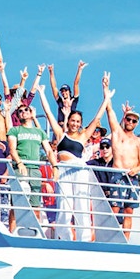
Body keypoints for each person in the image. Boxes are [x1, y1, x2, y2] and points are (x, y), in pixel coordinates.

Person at [36, 82, 108, 241]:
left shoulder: (83, 136)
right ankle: (67, 238)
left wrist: (106, 98)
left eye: (78, 121)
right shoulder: (61, 134)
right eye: (73, 120)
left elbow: (97, 119)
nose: (75, 124)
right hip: (64, 170)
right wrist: (41, 94)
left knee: (81, 206)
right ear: (68, 121)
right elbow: (48, 113)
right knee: (64, 208)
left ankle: (85, 240)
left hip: (79, 170)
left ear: (80, 123)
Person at [102, 73, 140, 239]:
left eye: (134, 121)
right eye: (129, 119)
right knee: (114, 208)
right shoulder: (117, 133)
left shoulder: (138, 141)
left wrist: (136, 169)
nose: (131, 122)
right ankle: (111, 237)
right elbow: (109, 111)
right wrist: (106, 89)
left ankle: (126, 239)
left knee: (129, 210)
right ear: (125, 119)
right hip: (118, 175)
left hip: (132, 177)